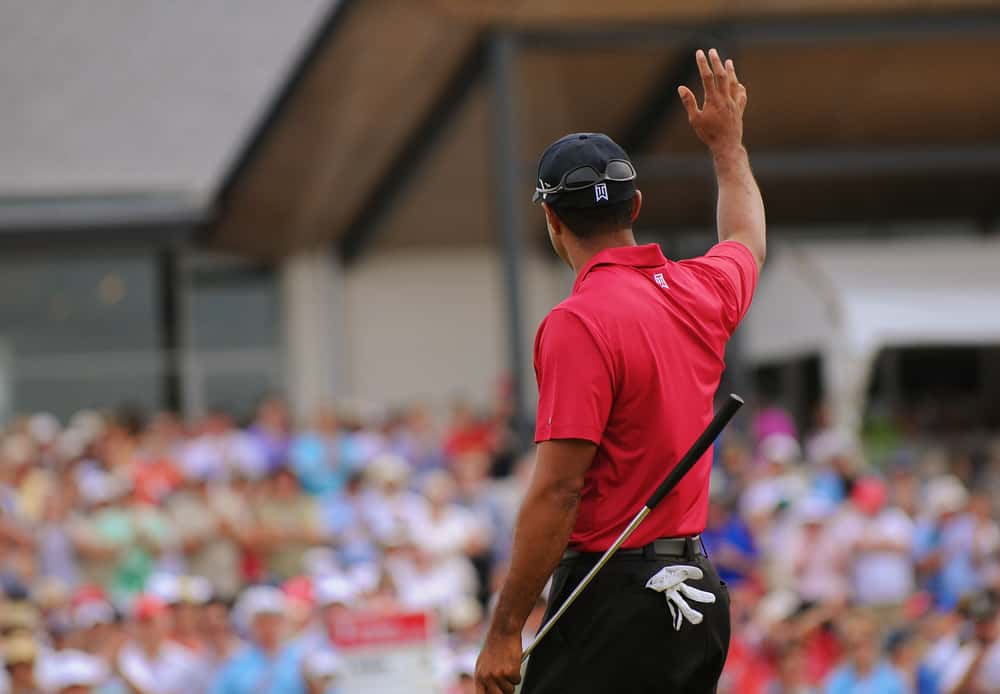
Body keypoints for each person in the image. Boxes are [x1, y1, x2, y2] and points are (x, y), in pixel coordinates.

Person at [476, 47, 765, 694]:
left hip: (614, 601)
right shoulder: (700, 288)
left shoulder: (578, 323)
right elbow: (747, 235)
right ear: (634, 207)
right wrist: (727, 145)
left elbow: (559, 489)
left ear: (551, 219)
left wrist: (505, 628)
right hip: (695, 597)